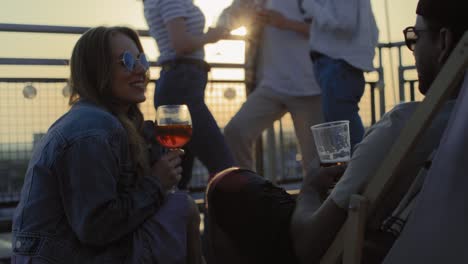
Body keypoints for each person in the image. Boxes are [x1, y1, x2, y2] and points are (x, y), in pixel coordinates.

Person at [206, 0, 467, 262]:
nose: (412, 48)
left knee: (222, 187)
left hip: (339, 243)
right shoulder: (453, 128)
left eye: (414, 36)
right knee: (242, 134)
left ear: (443, 43)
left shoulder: (401, 126)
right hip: (400, 238)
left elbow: (309, 246)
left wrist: (307, 192)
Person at [11, 26, 204, 264]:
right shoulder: (93, 130)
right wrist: (156, 183)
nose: (142, 69)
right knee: (183, 209)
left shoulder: (111, 123)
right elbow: (96, 227)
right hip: (63, 256)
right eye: (127, 61)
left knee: (180, 207)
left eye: (142, 60)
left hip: (67, 250)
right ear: (97, 71)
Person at [221, 0, 323, 177]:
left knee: (314, 165)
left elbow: (327, 31)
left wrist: (286, 23)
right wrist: (246, 14)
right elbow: (225, 20)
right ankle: (250, 191)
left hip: (309, 87)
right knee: (236, 131)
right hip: (270, 86)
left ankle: (314, 204)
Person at [143, 0, 236, 189]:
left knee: (177, 177)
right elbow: (181, 44)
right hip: (181, 86)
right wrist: (211, 36)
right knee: (225, 168)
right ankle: (227, 218)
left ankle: (177, 218)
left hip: (177, 85)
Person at [302, 0, 379, 149]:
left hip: (338, 68)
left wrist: (312, 7)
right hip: (339, 68)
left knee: (346, 141)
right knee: (343, 138)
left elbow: (345, 23)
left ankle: (363, 172)